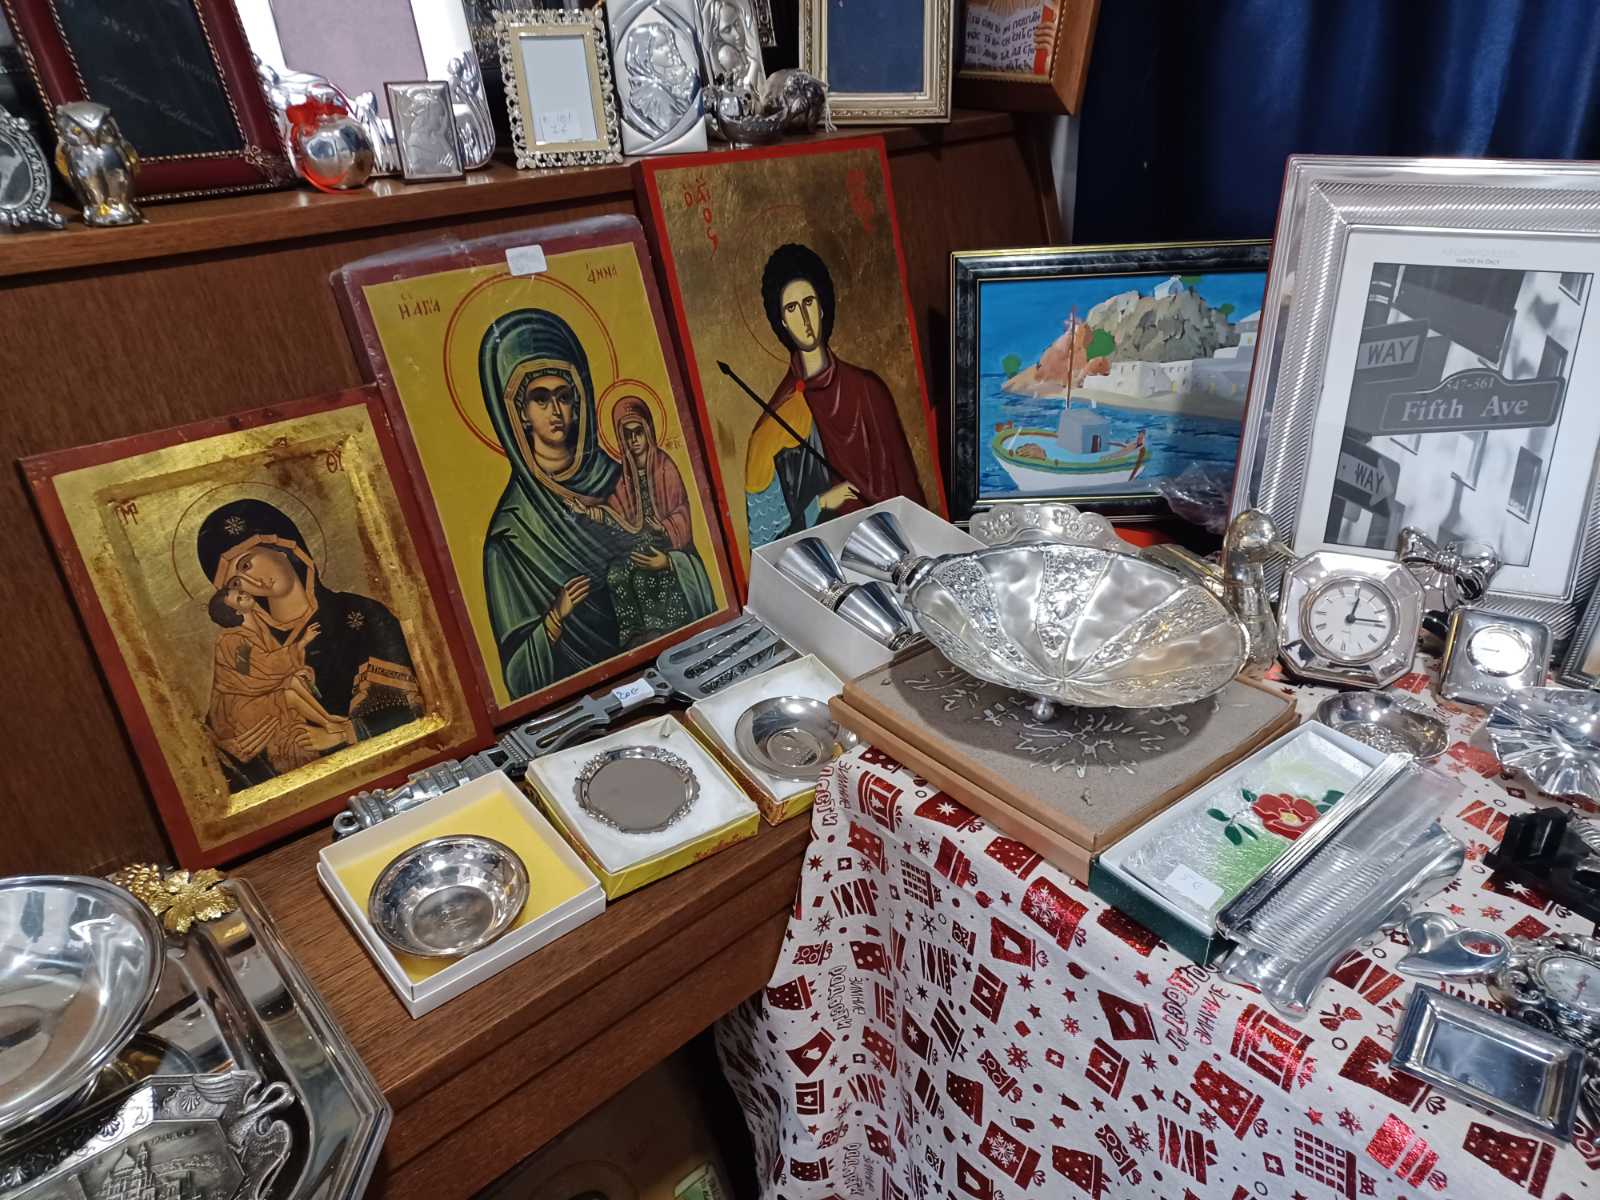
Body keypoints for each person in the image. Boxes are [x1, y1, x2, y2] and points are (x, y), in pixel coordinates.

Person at [483, 308, 705, 697]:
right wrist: (555, 618)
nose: (556, 411)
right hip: (588, 702)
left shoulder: (626, 479)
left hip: (675, 669)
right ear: (519, 411)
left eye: (564, 396)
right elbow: (519, 679)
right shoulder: (511, 535)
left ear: (580, 400)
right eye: (540, 399)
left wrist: (670, 563)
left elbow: (697, 574)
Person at [196, 499, 422, 789]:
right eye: (236, 584)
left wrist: (345, 734)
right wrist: (238, 744)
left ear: (281, 546)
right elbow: (228, 723)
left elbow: (416, 706)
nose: (251, 582)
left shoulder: (360, 615)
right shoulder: (245, 645)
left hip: (397, 776)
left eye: (247, 564)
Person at [745, 243, 926, 545]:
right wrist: (821, 504)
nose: (804, 319)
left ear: (822, 305)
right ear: (782, 321)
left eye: (808, 302)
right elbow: (767, 547)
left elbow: (912, 497)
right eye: (792, 308)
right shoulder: (774, 427)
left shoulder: (870, 391)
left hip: (900, 547)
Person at [570, 395, 715, 647]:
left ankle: (661, 632)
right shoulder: (625, 476)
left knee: (643, 577)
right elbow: (615, 512)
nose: (634, 440)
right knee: (615, 574)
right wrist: (589, 512)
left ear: (648, 430)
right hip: (637, 544)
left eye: (638, 432)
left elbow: (682, 510)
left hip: (667, 545)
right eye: (627, 435)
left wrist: (665, 528)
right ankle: (635, 638)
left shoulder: (665, 467)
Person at [205, 581, 354, 775]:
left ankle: (327, 718)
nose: (245, 594)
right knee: (288, 694)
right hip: (240, 705)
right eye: (239, 598)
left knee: (293, 681)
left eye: (241, 592)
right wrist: (302, 643)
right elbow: (247, 674)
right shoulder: (233, 639)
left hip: (258, 692)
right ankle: (327, 723)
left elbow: (272, 668)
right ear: (236, 612)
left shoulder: (259, 627)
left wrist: (295, 668)